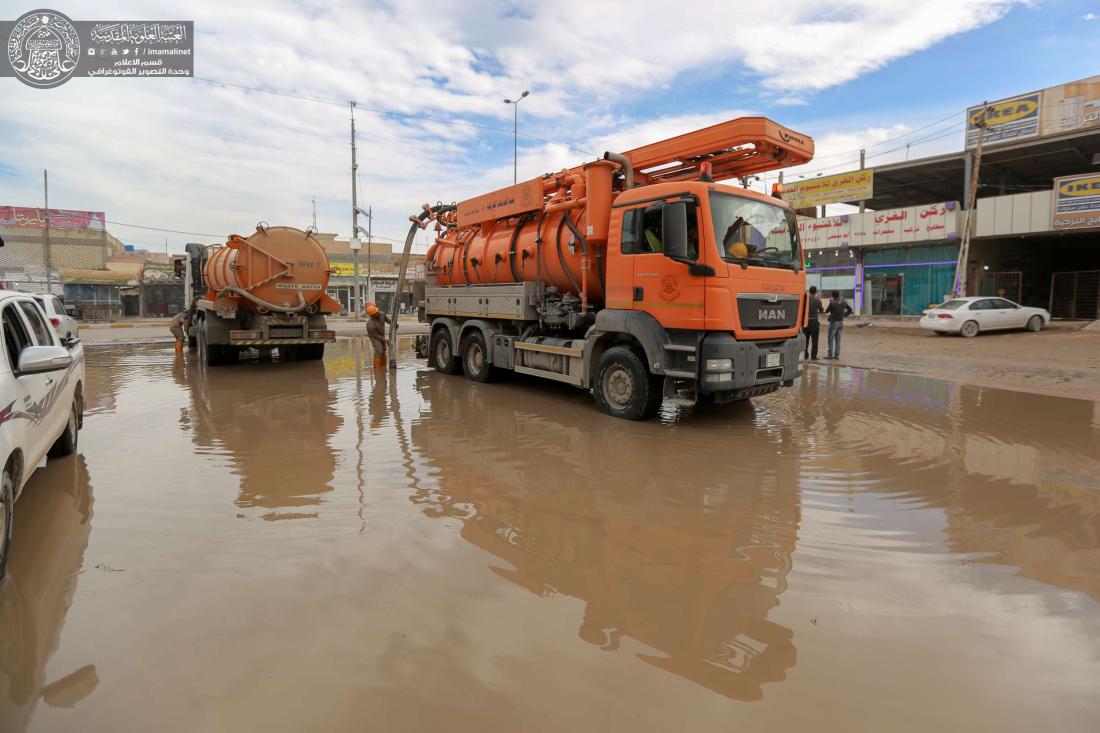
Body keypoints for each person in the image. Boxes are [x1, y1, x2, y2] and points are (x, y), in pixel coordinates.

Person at [824, 290, 853, 360]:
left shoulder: (832, 303)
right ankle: (837, 355)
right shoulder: (843, 302)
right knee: (838, 339)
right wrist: (845, 315)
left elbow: (827, 311)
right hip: (841, 322)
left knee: (830, 339)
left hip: (834, 322)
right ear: (839, 295)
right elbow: (850, 309)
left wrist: (830, 304)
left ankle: (830, 355)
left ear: (833, 296)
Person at [803, 285, 823, 360]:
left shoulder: (805, 300)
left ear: (809, 291)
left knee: (806, 340)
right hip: (814, 322)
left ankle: (805, 355)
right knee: (815, 341)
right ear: (816, 292)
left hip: (805, 322)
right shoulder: (817, 300)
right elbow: (821, 310)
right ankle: (813, 357)